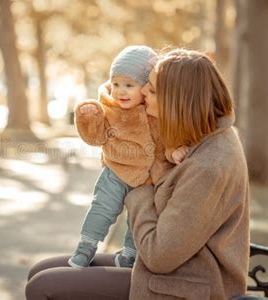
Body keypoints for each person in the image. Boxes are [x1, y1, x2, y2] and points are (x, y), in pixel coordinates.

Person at [25, 49, 250, 299]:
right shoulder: (199, 136)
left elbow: (159, 256)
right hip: (171, 272)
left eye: (152, 89)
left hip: (187, 285)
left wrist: (137, 188)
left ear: (177, 99)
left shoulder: (210, 164)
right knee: (40, 270)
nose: (142, 93)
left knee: (42, 287)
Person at [69, 45, 188, 269]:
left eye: (129, 85)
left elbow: (167, 142)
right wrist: (88, 119)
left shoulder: (156, 112)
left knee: (141, 216)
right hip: (116, 171)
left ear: (147, 87)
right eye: (116, 84)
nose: (120, 92)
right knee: (102, 207)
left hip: (148, 178)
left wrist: (174, 152)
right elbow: (95, 137)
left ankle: (129, 255)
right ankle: (86, 246)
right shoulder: (110, 109)